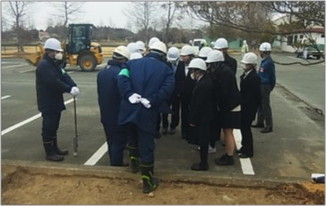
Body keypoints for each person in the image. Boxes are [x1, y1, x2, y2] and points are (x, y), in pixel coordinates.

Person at [117, 41, 174, 193]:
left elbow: (121, 78)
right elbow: (168, 89)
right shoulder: (166, 69)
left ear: (149, 51)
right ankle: (147, 182)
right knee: (146, 145)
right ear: (163, 55)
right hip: (147, 112)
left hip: (129, 109)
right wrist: (153, 99)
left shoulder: (131, 64)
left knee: (132, 138)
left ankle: (134, 165)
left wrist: (129, 94)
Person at [36, 38, 80, 161]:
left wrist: (73, 85)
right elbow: (53, 82)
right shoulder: (44, 66)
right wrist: (68, 89)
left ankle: (55, 148)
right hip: (48, 101)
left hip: (55, 100)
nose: (58, 53)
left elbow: (64, 75)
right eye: (56, 51)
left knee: (54, 125)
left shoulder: (54, 64)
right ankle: (49, 152)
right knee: (49, 127)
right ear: (50, 51)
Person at [206, 50, 241, 166]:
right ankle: (228, 154)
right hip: (230, 105)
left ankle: (229, 156)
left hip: (231, 107)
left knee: (228, 132)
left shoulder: (225, 73)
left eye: (210, 64)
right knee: (227, 131)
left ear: (216, 63)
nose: (209, 66)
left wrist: (217, 103)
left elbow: (223, 93)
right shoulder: (224, 71)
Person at [97, 46, 130, 166]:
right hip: (118, 113)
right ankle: (116, 165)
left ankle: (114, 161)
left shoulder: (102, 73)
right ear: (124, 60)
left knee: (110, 140)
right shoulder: (121, 74)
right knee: (118, 141)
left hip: (105, 112)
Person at [187, 58, 215, 171]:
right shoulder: (206, 81)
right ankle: (203, 162)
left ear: (198, 71)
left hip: (203, 117)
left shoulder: (203, 85)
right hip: (206, 116)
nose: (192, 73)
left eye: (193, 71)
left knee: (203, 141)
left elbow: (199, 104)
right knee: (203, 140)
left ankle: (203, 164)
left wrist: (193, 119)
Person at [237, 52, 261, 158]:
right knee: (243, 128)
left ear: (251, 65)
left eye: (246, 64)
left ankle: (248, 151)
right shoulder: (246, 75)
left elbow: (256, 95)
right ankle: (244, 147)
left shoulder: (254, 77)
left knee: (246, 130)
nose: (244, 65)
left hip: (249, 108)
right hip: (244, 106)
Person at [252, 42, 276, 133]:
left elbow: (272, 76)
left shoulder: (269, 62)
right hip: (261, 85)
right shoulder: (265, 61)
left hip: (265, 85)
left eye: (260, 51)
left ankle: (269, 125)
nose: (259, 52)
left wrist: (270, 87)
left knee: (265, 105)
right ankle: (260, 122)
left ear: (264, 52)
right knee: (260, 104)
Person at [158, 46, 180, 135]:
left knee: (176, 109)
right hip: (166, 91)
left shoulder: (181, 65)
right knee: (164, 109)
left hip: (177, 92)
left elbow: (182, 80)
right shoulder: (165, 64)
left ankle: (173, 126)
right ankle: (165, 126)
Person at [176, 45, 196, 139]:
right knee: (184, 113)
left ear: (190, 56)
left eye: (185, 56)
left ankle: (192, 132)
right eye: (182, 56)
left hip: (193, 93)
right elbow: (178, 78)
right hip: (183, 94)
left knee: (192, 113)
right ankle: (184, 132)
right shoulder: (180, 65)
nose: (183, 58)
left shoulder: (195, 65)